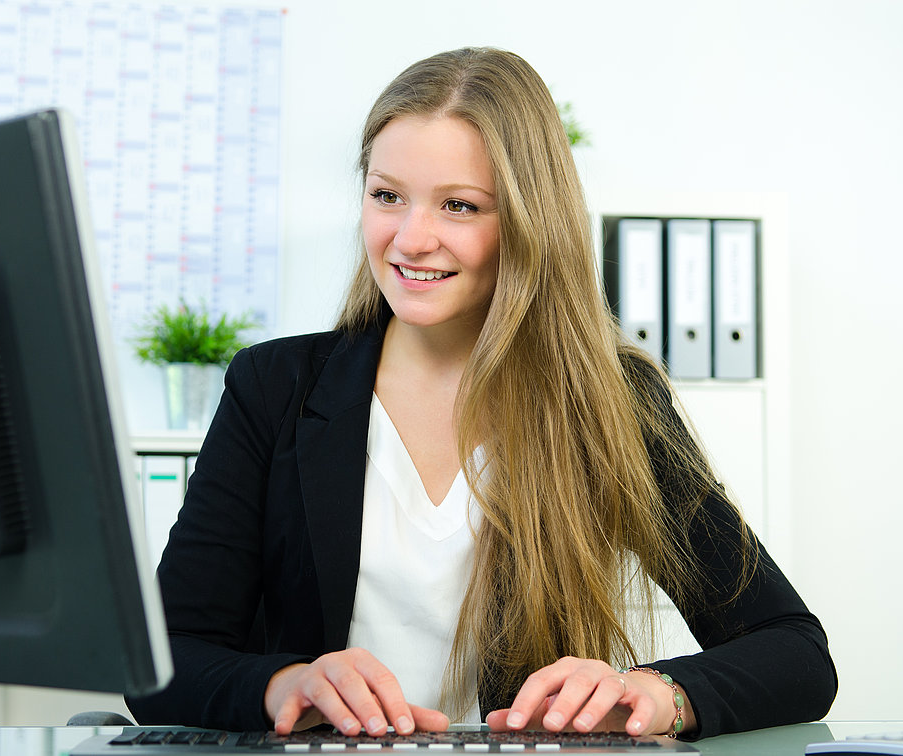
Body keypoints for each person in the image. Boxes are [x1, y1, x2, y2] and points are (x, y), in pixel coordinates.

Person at [127, 47, 837, 741]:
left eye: (459, 206)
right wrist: (282, 685)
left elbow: (794, 651)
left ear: (529, 223)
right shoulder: (273, 387)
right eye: (386, 196)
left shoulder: (611, 399)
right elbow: (162, 664)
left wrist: (658, 692)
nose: (410, 238)